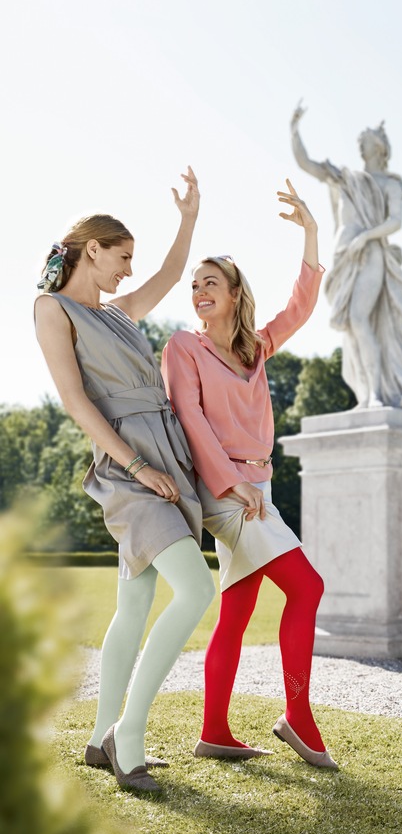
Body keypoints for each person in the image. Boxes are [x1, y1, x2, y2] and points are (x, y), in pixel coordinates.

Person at [34, 169, 216, 793]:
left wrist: (189, 220)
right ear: (93, 249)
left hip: (164, 452)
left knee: (134, 605)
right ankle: (127, 736)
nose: (129, 272)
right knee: (197, 592)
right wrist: (138, 467)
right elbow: (77, 403)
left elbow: (168, 275)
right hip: (127, 465)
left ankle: (97, 736)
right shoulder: (52, 309)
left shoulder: (119, 313)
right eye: (122, 258)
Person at [161, 180, 336, 769]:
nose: (199, 289)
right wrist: (230, 484)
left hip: (257, 489)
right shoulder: (182, 347)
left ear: (235, 294)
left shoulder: (255, 349)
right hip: (228, 493)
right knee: (307, 588)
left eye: (211, 281)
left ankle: (214, 730)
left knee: (236, 612)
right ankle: (298, 716)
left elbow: (301, 307)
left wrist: (311, 231)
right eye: (195, 284)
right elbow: (189, 416)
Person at [290, 103, 402, 408]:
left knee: (358, 317)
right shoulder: (346, 178)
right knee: (352, 326)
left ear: (381, 147)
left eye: (367, 139)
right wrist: (294, 129)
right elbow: (307, 163)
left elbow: (395, 221)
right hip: (344, 253)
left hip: (370, 252)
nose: (361, 143)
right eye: (359, 140)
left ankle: (375, 393)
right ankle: (365, 393)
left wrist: (365, 236)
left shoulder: (390, 183)